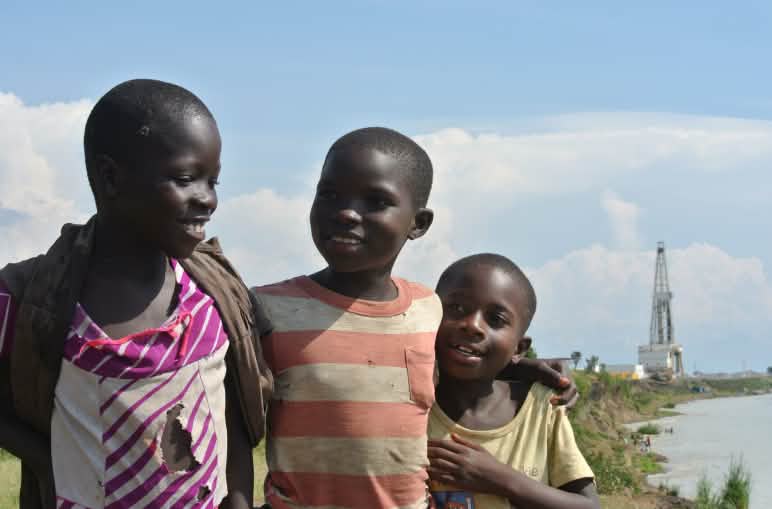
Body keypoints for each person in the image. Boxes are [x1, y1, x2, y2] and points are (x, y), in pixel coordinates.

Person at [252, 128, 577, 509]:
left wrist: (522, 367)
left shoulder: (426, 309)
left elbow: (457, 357)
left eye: (376, 201)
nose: (346, 212)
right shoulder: (267, 309)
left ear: (418, 224)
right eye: (330, 194)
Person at [0, 79, 269, 509]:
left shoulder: (214, 296)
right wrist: (43, 458)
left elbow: (232, 423)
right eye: (186, 179)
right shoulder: (34, 298)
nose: (208, 199)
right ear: (111, 178)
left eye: (213, 181)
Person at [427, 254, 599, 509]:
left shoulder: (542, 408)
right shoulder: (408, 404)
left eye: (495, 320)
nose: (473, 325)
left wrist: (500, 478)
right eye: (457, 308)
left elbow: (589, 506)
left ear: (519, 348)